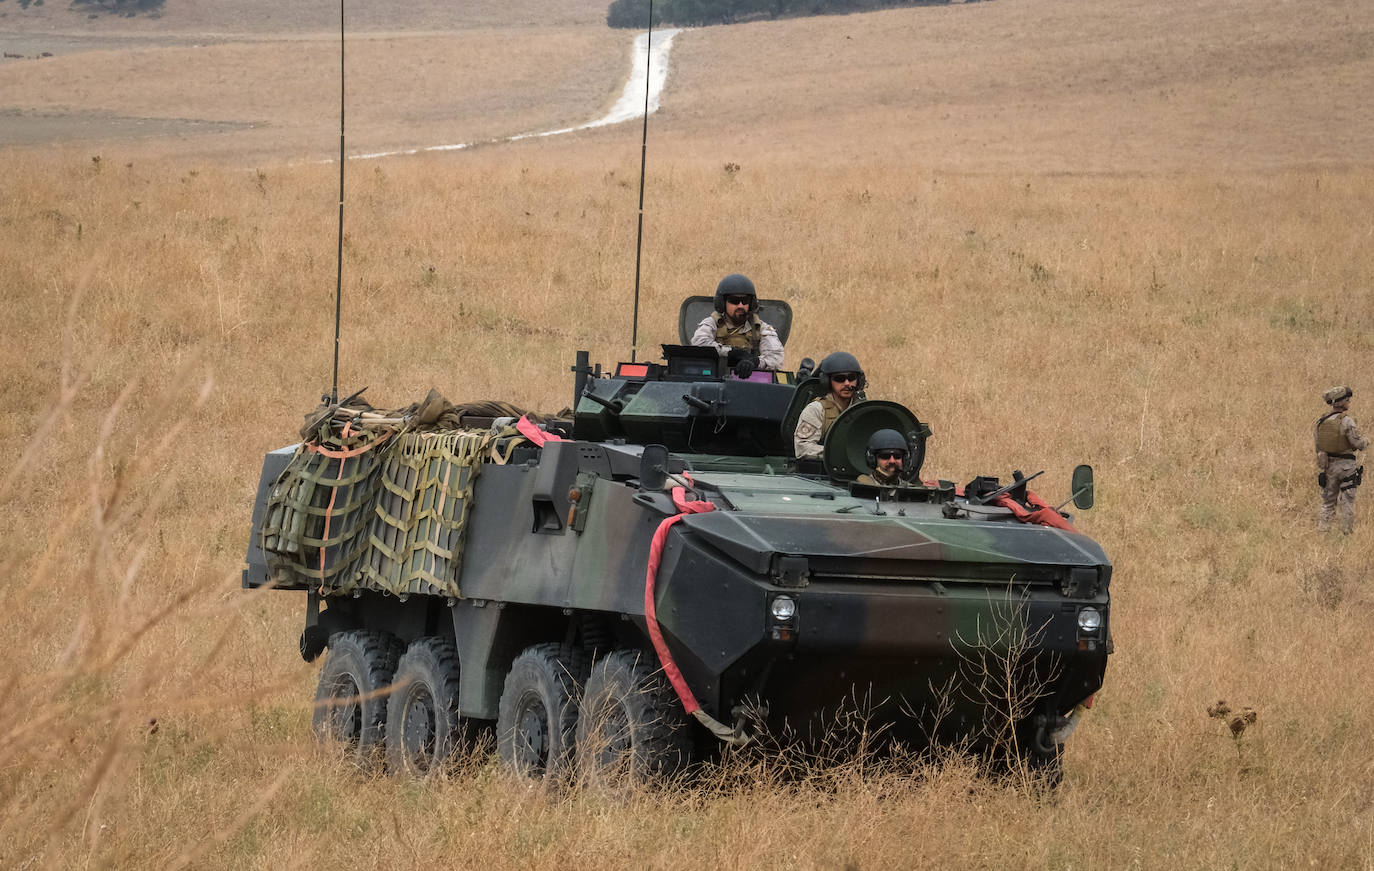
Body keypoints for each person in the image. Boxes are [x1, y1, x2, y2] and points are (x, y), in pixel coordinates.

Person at [691, 274, 784, 376]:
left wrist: (755, 362)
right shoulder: (712, 323)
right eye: (734, 301)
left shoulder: (761, 328)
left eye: (745, 301)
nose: (740, 305)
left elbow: (776, 358)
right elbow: (698, 344)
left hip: (751, 381)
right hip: (716, 379)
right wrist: (730, 353)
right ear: (722, 303)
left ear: (751, 304)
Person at [1315, 385, 1367, 534]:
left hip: (1329, 467)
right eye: (1346, 399)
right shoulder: (1347, 421)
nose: (1349, 401)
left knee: (1328, 502)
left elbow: (1318, 446)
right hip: (1347, 467)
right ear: (1340, 402)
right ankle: (1346, 534)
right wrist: (1366, 441)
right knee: (1347, 501)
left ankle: (1323, 532)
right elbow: (1357, 443)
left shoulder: (1321, 422)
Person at [794, 351, 865, 459]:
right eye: (839, 379)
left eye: (851, 378)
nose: (847, 383)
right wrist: (839, 454)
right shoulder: (816, 410)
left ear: (858, 380)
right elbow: (803, 448)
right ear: (827, 381)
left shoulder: (863, 409)